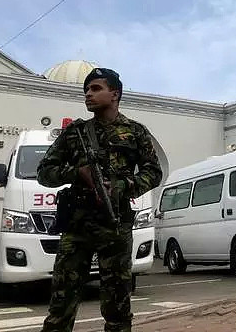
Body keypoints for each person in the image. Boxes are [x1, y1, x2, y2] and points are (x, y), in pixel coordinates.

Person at [37, 68, 163, 331]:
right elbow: (44, 172)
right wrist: (77, 173)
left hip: (114, 224)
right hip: (77, 224)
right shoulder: (76, 132)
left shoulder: (135, 132)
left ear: (114, 94)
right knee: (62, 301)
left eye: (95, 88)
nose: (88, 94)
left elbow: (153, 173)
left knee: (117, 303)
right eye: (86, 89)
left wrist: (120, 186)